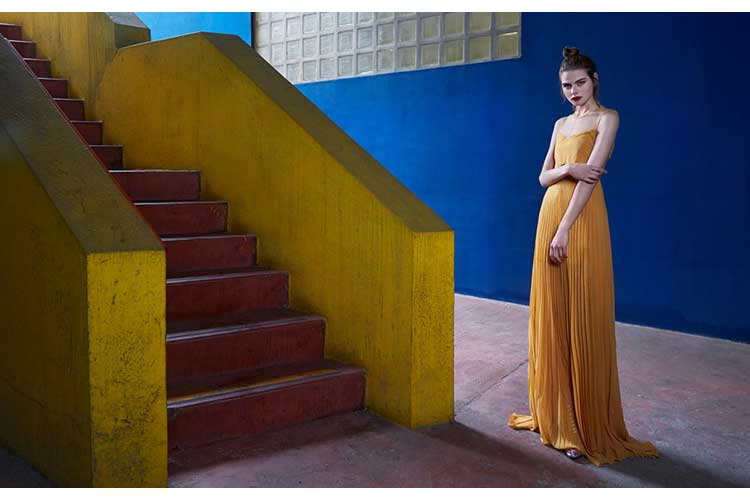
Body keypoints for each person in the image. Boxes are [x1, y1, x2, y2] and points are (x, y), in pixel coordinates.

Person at [507, 47, 660, 466]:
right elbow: (544, 176)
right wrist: (568, 170)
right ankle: (556, 418)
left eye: (580, 82)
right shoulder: (560, 124)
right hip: (550, 214)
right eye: (566, 85)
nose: (573, 91)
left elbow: (591, 180)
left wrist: (565, 228)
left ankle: (585, 425)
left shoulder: (608, 118)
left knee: (583, 312)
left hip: (580, 219)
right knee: (552, 314)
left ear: (594, 80)